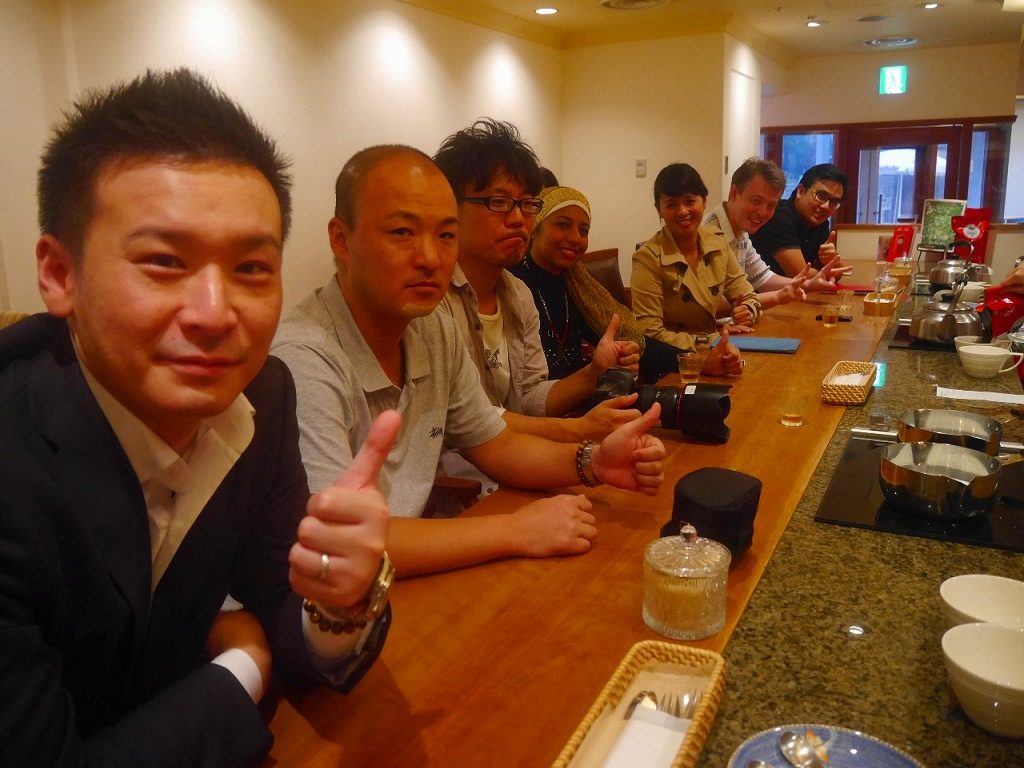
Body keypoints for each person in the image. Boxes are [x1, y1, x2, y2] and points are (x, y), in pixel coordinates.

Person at [0, 69, 394, 767]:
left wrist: (340, 601)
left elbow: (279, 593)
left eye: (251, 268)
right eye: (163, 261)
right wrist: (242, 666)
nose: (215, 315)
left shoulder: (261, 395)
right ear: (60, 275)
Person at [271, 145, 666, 579]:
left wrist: (594, 461)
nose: (430, 258)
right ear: (341, 239)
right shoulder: (303, 358)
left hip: (405, 574)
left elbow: (497, 444)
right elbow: (337, 542)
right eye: (402, 232)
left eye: (445, 235)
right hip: (324, 597)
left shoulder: (431, 329)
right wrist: (515, 530)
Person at [435, 119, 641, 444]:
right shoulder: (432, 299)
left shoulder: (518, 294)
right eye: (499, 202)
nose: (518, 219)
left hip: (517, 457)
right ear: (451, 208)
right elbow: (463, 422)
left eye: (527, 204)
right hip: (461, 471)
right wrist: (579, 431)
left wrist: (594, 372)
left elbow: (529, 397)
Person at [512, 184, 742, 380]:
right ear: (536, 227)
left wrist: (699, 363)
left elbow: (636, 344)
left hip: (579, 398)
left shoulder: (577, 285)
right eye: (562, 225)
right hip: (535, 410)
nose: (575, 238)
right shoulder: (512, 282)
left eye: (583, 230)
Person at [630, 162, 758, 362]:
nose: (682, 211)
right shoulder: (647, 259)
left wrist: (747, 311)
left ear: (704, 201)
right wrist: (711, 339)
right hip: (674, 362)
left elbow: (748, 295)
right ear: (659, 209)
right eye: (671, 204)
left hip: (718, 350)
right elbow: (649, 334)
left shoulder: (718, 243)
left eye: (690, 201)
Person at [704, 158, 853, 320]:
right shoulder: (709, 234)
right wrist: (778, 296)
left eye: (771, 205)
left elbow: (761, 277)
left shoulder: (741, 230)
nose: (763, 212)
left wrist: (808, 284)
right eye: (756, 201)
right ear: (734, 193)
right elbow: (711, 304)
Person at [749, 162, 849, 278]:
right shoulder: (779, 217)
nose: (826, 206)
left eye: (834, 202)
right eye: (821, 196)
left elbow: (838, 273)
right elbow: (801, 275)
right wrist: (828, 272)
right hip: (758, 288)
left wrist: (832, 259)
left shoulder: (820, 223)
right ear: (801, 191)